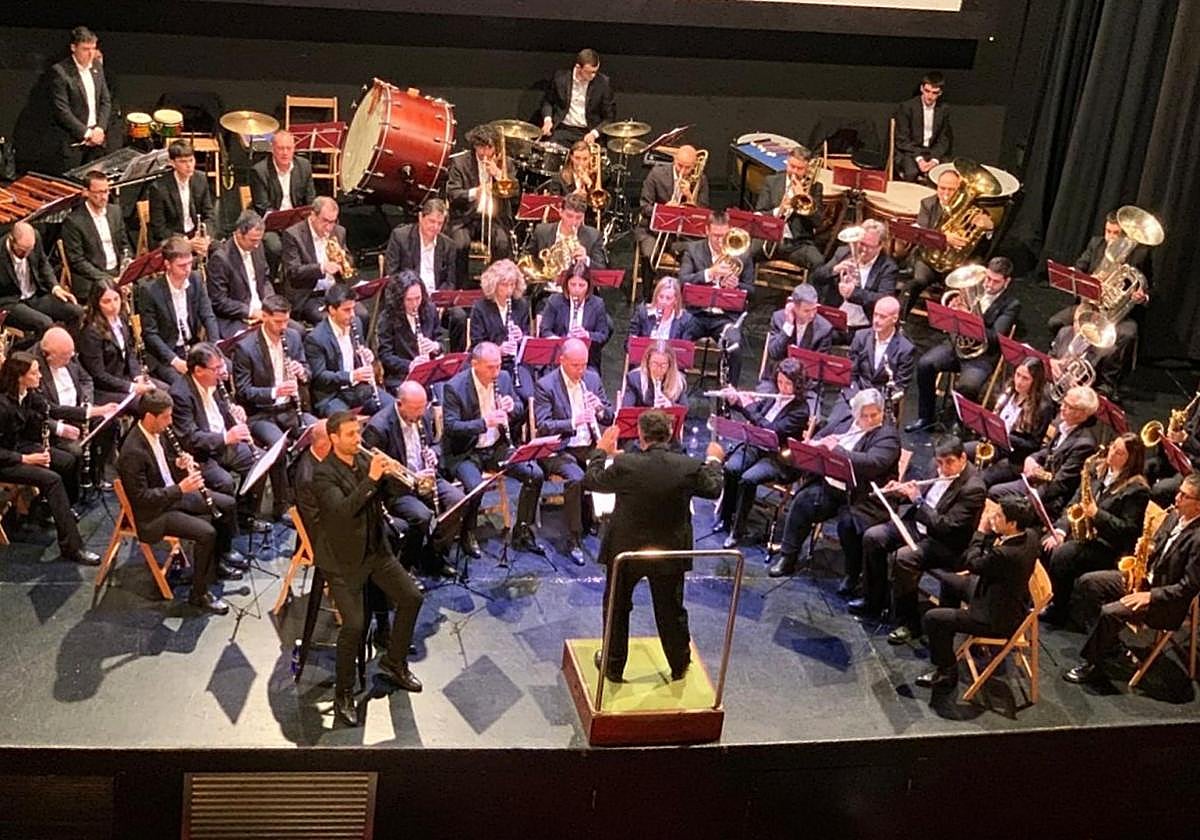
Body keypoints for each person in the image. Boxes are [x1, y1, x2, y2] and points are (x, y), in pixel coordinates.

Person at [583, 410, 724, 682]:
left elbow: (592, 480)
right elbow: (714, 488)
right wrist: (714, 459)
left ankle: (613, 665)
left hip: (627, 550)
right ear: (670, 434)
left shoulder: (627, 464)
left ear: (640, 434)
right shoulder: (688, 466)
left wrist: (601, 450)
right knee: (671, 609)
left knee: (617, 607)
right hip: (669, 550)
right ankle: (679, 663)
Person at [311, 410, 426, 726]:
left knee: (412, 598)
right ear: (334, 438)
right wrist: (373, 478)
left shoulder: (364, 460)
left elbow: (385, 496)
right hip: (342, 560)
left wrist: (395, 476)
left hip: (375, 550)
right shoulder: (322, 475)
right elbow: (342, 513)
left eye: (358, 433)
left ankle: (394, 662)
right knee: (354, 626)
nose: (357, 439)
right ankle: (344, 694)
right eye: (350, 434)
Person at [1064, 473, 1200, 686]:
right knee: (1088, 583)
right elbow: (1159, 542)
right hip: (1144, 580)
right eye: (1179, 492)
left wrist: (1150, 596)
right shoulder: (1174, 515)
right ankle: (1110, 646)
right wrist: (1149, 548)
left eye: (1185, 496)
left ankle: (1093, 664)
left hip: (1165, 602)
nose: (1177, 498)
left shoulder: (1198, 539)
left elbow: (1188, 587)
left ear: (1198, 506)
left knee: (1110, 612)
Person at [117, 388, 238, 611]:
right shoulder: (132, 452)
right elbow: (141, 498)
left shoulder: (159, 431)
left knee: (228, 504)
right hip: (154, 514)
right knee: (207, 533)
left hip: (171, 496)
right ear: (149, 416)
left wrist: (180, 464)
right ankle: (199, 594)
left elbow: (163, 466)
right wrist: (181, 488)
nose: (170, 422)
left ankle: (216, 562)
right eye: (166, 417)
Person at [853, 436, 987, 636]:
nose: (943, 469)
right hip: (918, 524)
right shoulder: (935, 465)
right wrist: (899, 491)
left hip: (944, 543)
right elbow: (919, 493)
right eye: (939, 462)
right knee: (873, 537)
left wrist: (918, 501)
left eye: (949, 462)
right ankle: (874, 600)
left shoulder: (974, 488)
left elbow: (945, 526)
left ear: (963, 458)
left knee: (904, 558)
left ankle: (908, 622)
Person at [769, 388, 901, 578]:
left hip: (862, 497)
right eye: (864, 416)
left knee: (848, 524)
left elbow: (873, 463)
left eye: (875, 414)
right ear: (855, 414)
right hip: (832, 487)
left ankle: (852, 575)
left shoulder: (887, 435)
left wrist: (836, 450)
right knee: (802, 501)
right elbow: (820, 437)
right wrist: (815, 445)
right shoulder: (845, 421)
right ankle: (788, 557)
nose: (870, 420)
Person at [917, 497, 1039, 692]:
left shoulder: (1005, 554)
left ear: (1012, 524)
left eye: (999, 516)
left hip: (994, 618)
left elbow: (972, 563)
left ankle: (946, 672)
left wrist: (981, 531)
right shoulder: (1031, 535)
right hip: (1002, 596)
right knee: (949, 581)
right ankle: (945, 638)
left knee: (933, 618)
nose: (992, 517)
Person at [441, 342, 545, 557]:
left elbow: (519, 409)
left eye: (498, 365)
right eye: (490, 367)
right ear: (475, 364)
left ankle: (523, 531)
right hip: (466, 452)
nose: (496, 372)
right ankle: (467, 532)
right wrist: (484, 423)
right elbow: (451, 427)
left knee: (534, 474)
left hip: (497, 446)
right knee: (475, 487)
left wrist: (512, 407)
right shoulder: (455, 387)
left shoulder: (503, 378)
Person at [0, 351, 98, 565]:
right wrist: (25, 459)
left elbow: (53, 410)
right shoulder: (2, 405)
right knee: (52, 480)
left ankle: (59, 510)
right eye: (34, 373)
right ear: (20, 377)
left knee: (68, 460)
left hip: (21, 447)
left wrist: (93, 412)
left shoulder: (28, 394)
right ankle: (72, 547)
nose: (40, 376)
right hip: (7, 459)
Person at [1042, 432, 1149, 625]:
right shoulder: (1097, 469)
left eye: (1120, 452)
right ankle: (1044, 596)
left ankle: (1059, 609)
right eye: (1113, 447)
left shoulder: (1137, 489)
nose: (1112, 453)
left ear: (1131, 460)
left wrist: (1097, 514)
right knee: (1046, 543)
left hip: (1108, 547)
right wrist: (1061, 530)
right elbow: (1074, 502)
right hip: (1085, 537)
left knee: (1063, 555)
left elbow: (1128, 530)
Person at [906, 256, 1022, 433]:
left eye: (996, 281)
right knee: (924, 364)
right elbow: (951, 315)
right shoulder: (974, 286)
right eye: (988, 278)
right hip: (956, 345)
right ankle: (925, 417)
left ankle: (959, 423)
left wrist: (968, 319)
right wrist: (953, 311)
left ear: (1007, 282)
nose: (989, 284)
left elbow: (995, 337)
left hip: (982, 356)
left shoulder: (1011, 304)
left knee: (968, 386)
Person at [364, 381, 465, 577]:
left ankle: (433, 556)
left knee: (457, 501)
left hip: (426, 478)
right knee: (421, 516)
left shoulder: (421, 416)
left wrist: (434, 453)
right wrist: (410, 477)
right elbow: (373, 472)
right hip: (397, 488)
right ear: (399, 404)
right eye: (415, 409)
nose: (421, 413)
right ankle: (406, 566)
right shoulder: (379, 428)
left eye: (422, 407)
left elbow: (437, 443)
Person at [230, 294, 313, 520]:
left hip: (290, 409)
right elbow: (243, 391)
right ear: (264, 317)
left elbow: (308, 370)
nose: (283, 327)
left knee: (318, 431)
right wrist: (275, 392)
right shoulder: (246, 348)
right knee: (279, 445)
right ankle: (281, 504)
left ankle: (306, 493)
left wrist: (301, 372)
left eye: (286, 321)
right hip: (261, 414)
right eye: (278, 322)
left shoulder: (293, 337)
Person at [713, 358, 811, 548]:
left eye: (788, 384)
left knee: (748, 479)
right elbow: (754, 413)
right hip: (756, 446)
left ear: (798, 385)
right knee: (731, 468)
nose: (783, 388)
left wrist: (747, 406)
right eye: (780, 382)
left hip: (779, 457)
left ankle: (738, 531)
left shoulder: (801, 410)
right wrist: (735, 401)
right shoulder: (773, 397)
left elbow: (771, 430)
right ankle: (725, 518)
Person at [533, 337, 614, 564]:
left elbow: (609, 416)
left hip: (589, 444)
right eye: (575, 365)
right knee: (576, 478)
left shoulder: (592, 378)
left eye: (584, 364)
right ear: (562, 361)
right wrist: (573, 421)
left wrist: (599, 408)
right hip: (560, 448)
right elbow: (543, 425)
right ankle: (573, 538)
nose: (581, 370)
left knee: (617, 469)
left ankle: (600, 522)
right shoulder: (546, 385)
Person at [167, 343, 261, 538]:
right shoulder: (179, 394)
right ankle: (226, 537)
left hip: (223, 443)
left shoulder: (214, 382)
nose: (221, 372)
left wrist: (234, 412)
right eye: (216, 368)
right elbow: (189, 438)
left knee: (259, 462)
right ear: (198, 370)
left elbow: (222, 410)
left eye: (221, 367)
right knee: (224, 482)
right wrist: (226, 437)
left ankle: (244, 516)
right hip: (200, 454)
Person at [989, 385, 1100, 519]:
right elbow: (1047, 451)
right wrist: (1032, 458)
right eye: (1064, 402)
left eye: (1069, 406)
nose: (1062, 408)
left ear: (1082, 414)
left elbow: (1061, 484)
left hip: (1049, 498)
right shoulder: (1066, 425)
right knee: (994, 490)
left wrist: (1030, 499)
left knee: (998, 495)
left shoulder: (1085, 445)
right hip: (1038, 483)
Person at [34, 327, 120, 492]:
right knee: (75, 451)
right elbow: (42, 410)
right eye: (65, 357)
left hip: (79, 410)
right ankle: (76, 491)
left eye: (71, 354)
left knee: (110, 423)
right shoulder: (33, 368)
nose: (70, 359)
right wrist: (59, 428)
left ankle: (97, 474)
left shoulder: (67, 353)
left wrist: (86, 403)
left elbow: (86, 379)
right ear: (49, 355)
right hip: (58, 421)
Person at [902, 168, 994, 317]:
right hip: (928, 260)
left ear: (960, 190)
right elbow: (922, 232)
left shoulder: (976, 211)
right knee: (915, 283)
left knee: (955, 293)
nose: (945, 193)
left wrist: (988, 229)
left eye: (951, 190)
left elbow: (984, 246)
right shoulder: (928, 204)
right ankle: (900, 318)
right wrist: (944, 237)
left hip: (958, 264)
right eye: (942, 188)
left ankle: (948, 324)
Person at [679, 211, 755, 387]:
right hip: (696, 314)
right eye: (715, 236)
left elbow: (752, 291)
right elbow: (682, 281)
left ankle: (729, 394)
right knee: (678, 337)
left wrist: (736, 286)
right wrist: (709, 273)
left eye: (724, 236)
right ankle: (676, 387)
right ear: (707, 231)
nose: (720, 241)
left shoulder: (742, 254)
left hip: (725, 317)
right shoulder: (693, 250)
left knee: (734, 346)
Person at [134, 235, 220, 384]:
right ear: (167, 264)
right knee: (186, 385)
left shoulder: (196, 279)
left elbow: (208, 316)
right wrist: (175, 361)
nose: (187, 270)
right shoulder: (149, 291)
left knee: (225, 369)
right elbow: (150, 334)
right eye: (181, 266)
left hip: (193, 347)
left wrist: (214, 347)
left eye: (189, 263)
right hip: (166, 354)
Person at [382, 198, 465, 350]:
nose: (435, 227)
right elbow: (392, 276)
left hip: (435, 300)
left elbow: (450, 281)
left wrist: (442, 302)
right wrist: (411, 297)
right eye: (431, 221)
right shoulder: (400, 237)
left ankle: (455, 359)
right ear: (421, 217)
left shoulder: (448, 245)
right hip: (408, 298)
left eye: (439, 223)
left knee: (459, 316)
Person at [822, 296, 914, 430]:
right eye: (875, 314)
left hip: (880, 403)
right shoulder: (861, 337)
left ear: (894, 319)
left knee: (872, 437)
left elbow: (900, 386)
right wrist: (854, 399)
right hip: (855, 394)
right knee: (832, 428)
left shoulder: (905, 349)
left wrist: (872, 404)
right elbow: (850, 374)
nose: (876, 320)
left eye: (882, 317)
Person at [968, 356, 1056, 485]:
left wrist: (1006, 437)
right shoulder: (1010, 390)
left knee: (980, 479)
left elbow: (1033, 445)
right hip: (995, 445)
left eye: (1025, 378)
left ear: (1035, 382)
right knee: (955, 452)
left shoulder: (1043, 407)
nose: (1018, 382)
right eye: (1018, 375)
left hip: (1015, 458)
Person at [304, 283, 388, 417]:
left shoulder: (356, 323)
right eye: (347, 310)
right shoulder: (315, 338)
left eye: (353, 308)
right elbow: (320, 376)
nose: (352, 314)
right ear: (332, 310)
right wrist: (351, 376)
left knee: (392, 408)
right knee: (346, 424)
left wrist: (367, 356)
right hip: (333, 396)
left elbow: (360, 352)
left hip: (358, 389)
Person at [446, 125, 519, 275]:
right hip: (465, 218)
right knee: (460, 245)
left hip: (494, 218)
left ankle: (494, 281)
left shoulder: (506, 163)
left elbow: (515, 193)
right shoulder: (460, 162)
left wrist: (498, 174)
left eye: (489, 148)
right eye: (481, 148)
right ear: (474, 146)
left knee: (502, 243)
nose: (485, 153)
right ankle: (461, 284)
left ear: (495, 147)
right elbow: (452, 194)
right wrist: (475, 193)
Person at [77, 279, 158, 407]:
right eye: (106, 301)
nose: (113, 305)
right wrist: (132, 387)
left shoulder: (122, 318)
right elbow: (98, 375)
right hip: (104, 389)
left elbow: (130, 351)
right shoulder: (91, 332)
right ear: (97, 303)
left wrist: (137, 376)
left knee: (166, 392)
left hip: (124, 378)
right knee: (150, 403)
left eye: (116, 299)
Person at [248, 130, 316, 275]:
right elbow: (262, 206)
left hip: (297, 222)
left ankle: (303, 277)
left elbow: (310, 199)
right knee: (274, 246)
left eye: (288, 148)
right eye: (280, 148)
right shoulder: (259, 171)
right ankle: (271, 277)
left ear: (294, 149)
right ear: (272, 149)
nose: (285, 153)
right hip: (272, 225)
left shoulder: (304, 166)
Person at [809, 219, 898, 329]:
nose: (864, 250)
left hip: (863, 327)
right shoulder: (843, 253)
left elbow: (885, 300)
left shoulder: (888, 267)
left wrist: (854, 293)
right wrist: (835, 269)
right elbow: (817, 277)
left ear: (880, 246)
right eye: (861, 243)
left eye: (870, 246)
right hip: (834, 320)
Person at [0, 221, 83, 337]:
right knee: (45, 323)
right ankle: (40, 348)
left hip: (35, 296)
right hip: (11, 302)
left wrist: (55, 287)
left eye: (30, 250)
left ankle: (69, 346)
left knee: (76, 311)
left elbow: (43, 264)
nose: (27, 254)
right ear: (11, 240)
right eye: (23, 250)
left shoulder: (36, 237)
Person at [467, 259, 534, 403]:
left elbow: (528, 337)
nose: (509, 290)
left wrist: (521, 337)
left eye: (512, 284)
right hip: (490, 363)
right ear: (494, 284)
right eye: (504, 285)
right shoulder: (481, 307)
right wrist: (498, 350)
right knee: (504, 394)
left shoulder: (521, 305)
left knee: (528, 395)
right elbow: (477, 343)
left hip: (516, 362)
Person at [48, 26, 111, 174]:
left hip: (97, 141)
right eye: (85, 49)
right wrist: (87, 133)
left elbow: (105, 101)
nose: (90, 54)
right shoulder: (60, 72)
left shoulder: (97, 66)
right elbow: (62, 111)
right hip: (74, 143)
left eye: (93, 48)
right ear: (73, 48)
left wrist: (100, 129)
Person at [635, 145, 710, 266]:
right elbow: (644, 207)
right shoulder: (656, 174)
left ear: (694, 165)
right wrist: (664, 209)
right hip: (652, 231)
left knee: (699, 255)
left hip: (683, 234)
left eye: (688, 167)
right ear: (674, 160)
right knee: (650, 255)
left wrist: (690, 197)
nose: (682, 171)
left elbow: (704, 214)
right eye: (680, 165)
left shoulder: (700, 180)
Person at [280, 195, 349, 326]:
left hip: (335, 292)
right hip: (309, 294)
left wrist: (344, 260)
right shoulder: (293, 235)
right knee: (330, 322)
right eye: (325, 221)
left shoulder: (339, 231)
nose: (329, 227)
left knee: (362, 315)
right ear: (313, 215)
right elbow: (293, 271)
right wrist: (322, 267)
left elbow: (348, 258)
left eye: (333, 221)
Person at [753, 146, 825, 271]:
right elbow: (758, 214)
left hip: (798, 245)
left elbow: (818, 222)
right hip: (770, 240)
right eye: (792, 166)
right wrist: (779, 210)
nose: (795, 172)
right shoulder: (772, 181)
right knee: (744, 254)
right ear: (787, 162)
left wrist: (803, 196)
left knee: (818, 262)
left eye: (800, 168)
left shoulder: (815, 187)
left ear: (807, 168)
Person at [60, 169, 128, 301]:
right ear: (86, 192)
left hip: (117, 271)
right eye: (99, 192)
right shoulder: (74, 221)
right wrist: (108, 279)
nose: (104, 197)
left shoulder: (115, 212)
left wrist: (126, 266)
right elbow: (77, 261)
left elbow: (124, 244)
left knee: (144, 288)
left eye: (106, 191)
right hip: (92, 278)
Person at [205, 210, 271, 339]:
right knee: (254, 342)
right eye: (252, 240)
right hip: (236, 317)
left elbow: (265, 280)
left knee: (297, 332)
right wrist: (250, 312)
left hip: (263, 310)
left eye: (259, 240)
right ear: (239, 234)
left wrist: (270, 303)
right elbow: (219, 301)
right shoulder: (221, 258)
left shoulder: (258, 246)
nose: (256, 245)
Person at [376, 271, 444, 392]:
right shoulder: (387, 318)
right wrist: (410, 365)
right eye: (409, 300)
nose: (415, 304)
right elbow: (385, 356)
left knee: (446, 391)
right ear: (399, 299)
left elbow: (440, 339)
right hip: (401, 376)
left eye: (418, 298)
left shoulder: (430, 309)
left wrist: (435, 346)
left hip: (430, 371)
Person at [148, 140, 216, 256]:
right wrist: (186, 242)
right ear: (172, 162)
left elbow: (209, 214)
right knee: (183, 255)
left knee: (220, 251)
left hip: (195, 235)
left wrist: (204, 236)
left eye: (191, 160)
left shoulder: (200, 179)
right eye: (183, 162)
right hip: (173, 238)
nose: (189, 166)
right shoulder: (158, 188)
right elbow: (159, 229)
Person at [538, 264, 611, 372]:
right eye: (572, 284)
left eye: (581, 285)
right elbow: (545, 330)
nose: (576, 289)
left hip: (587, 361)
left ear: (588, 286)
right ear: (566, 284)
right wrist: (558, 341)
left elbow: (603, 335)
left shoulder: (597, 304)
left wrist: (587, 335)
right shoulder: (554, 301)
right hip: (557, 361)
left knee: (592, 378)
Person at [539, 48, 616, 146]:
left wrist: (594, 133)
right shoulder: (560, 78)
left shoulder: (603, 83)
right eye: (589, 72)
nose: (593, 76)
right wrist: (548, 120)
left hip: (588, 131)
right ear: (578, 67)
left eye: (595, 71)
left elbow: (609, 117)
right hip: (563, 129)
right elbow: (547, 101)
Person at [763, 284, 834, 386]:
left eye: (814, 309)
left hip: (806, 384)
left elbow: (820, 371)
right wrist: (788, 325)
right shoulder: (779, 318)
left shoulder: (824, 329)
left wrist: (798, 387)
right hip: (776, 380)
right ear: (794, 307)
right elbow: (774, 353)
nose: (812, 315)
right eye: (806, 311)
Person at [893, 71, 953, 183]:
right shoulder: (907, 107)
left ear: (940, 93)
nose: (929, 96)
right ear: (921, 88)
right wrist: (920, 159)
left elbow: (944, 139)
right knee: (911, 172)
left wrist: (934, 160)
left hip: (932, 151)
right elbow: (902, 140)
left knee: (946, 173)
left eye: (934, 93)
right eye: (927, 91)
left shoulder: (943, 109)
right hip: (910, 152)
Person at [622, 342, 687, 409]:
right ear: (647, 363)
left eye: (663, 365)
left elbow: (685, 410)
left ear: (670, 366)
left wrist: (671, 406)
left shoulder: (678, 381)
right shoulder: (634, 379)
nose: (658, 369)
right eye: (654, 364)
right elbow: (627, 408)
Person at [627, 277, 693, 341]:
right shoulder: (643, 313)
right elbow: (629, 342)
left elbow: (685, 346)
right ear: (656, 296)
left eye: (668, 298)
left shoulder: (685, 320)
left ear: (676, 301)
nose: (663, 302)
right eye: (661, 297)